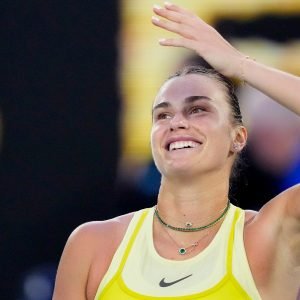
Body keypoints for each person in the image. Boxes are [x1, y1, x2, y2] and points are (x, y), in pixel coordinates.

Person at [52, 3, 300, 299]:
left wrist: (240, 65)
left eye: (198, 109)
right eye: (163, 115)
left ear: (238, 137)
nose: (177, 122)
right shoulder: (92, 245)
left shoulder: (270, 235)